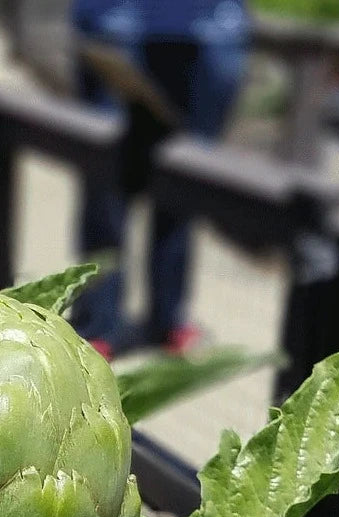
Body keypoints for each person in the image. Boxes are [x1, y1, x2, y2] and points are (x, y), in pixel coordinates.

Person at [69, 0, 250, 356]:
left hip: (211, 31)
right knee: (106, 187)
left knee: (184, 186)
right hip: (115, 25)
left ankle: (169, 318)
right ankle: (97, 323)